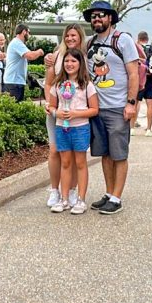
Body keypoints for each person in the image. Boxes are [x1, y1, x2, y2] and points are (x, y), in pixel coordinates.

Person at [84, 1, 139, 215]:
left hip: (118, 107)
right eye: (93, 16)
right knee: (104, 154)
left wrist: (131, 103)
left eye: (101, 15)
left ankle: (117, 197)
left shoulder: (122, 40)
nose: (97, 19)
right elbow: (69, 54)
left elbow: (133, 73)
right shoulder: (89, 43)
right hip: (97, 108)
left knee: (119, 154)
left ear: (110, 18)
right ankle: (108, 193)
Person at [48, 48, 99, 214]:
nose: (69, 64)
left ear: (80, 63)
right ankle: (64, 199)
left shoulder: (87, 85)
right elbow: (51, 106)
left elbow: (94, 109)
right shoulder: (58, 84)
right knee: (66, 163)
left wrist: (76, 113)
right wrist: (56, 113)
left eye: (73, 61)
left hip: (80, 128)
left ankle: (80, 199)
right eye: (66, 61)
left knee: (80, 163)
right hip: (62, 128)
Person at [44, 24, 86, 209]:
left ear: (80, 37)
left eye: (74, 35)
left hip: (77, 116)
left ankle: (72, 191)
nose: (70, 38)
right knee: (55, 151)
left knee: (76, 155)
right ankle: (55, 190)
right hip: (57, 113)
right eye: (67, 35)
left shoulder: (85, 56)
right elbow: (49, 83)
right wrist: (52, 107)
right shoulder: (57, 56)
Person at [3, 24, 44, 102]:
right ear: (24, 32)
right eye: (29, 32)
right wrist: (39, 51)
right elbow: (30, 56)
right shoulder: (17, 43)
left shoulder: (17, 43)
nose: (29, 35)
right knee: (15, 108)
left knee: (13, 107)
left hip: (13, 81)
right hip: (14, 82)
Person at [134, 31, 152, 136]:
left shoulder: (136, 49)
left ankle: (131, 128)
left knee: (134, 103)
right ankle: (149, 129)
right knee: (150, 104)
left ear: (138, 39)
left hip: (139, 79)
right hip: (150, 80)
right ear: (147, 39)